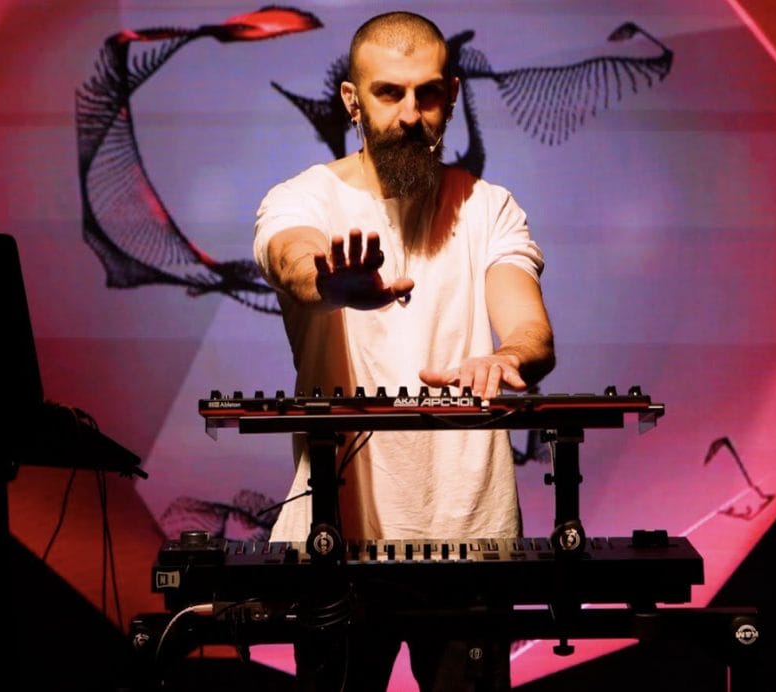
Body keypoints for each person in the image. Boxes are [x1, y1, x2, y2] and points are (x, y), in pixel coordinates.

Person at [252, 10, 556, 691]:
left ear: (451, 95)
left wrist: (508, 356)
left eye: (428, 94)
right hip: (334, 543)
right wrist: (329, 282)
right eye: (389, 93)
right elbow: (292, 258)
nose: (410, 115)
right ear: (352, 100)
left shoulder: (489, 207)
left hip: (471, 542)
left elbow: (531, 330)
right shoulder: (302, 199)